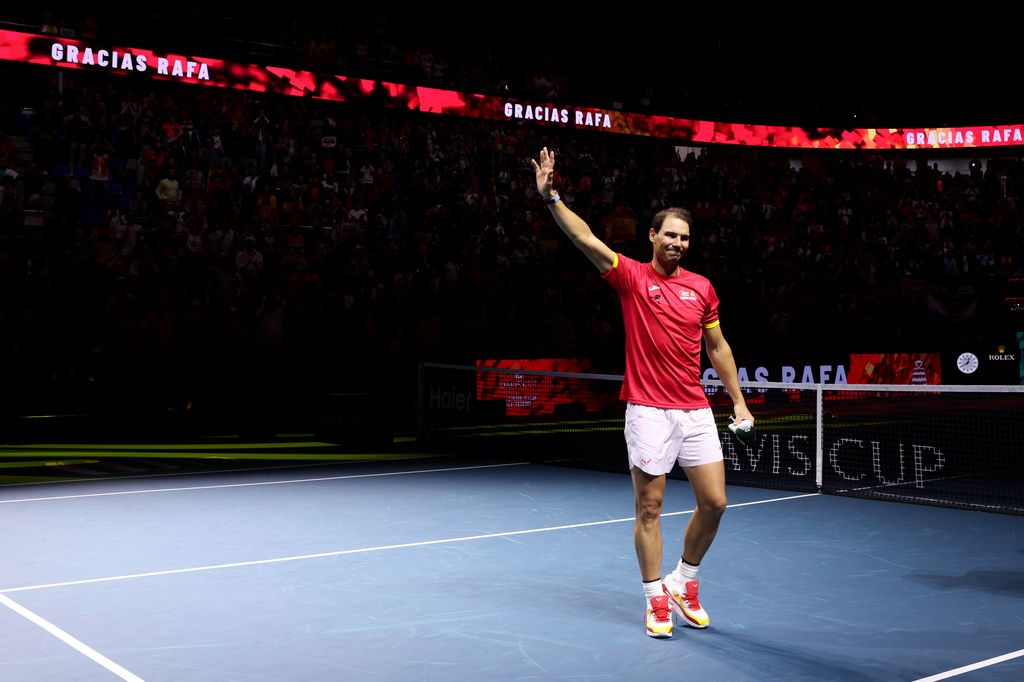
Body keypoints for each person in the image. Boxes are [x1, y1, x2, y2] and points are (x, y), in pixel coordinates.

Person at [532, 147, 754, 639]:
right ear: (652, 236)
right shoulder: (632, 277)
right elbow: (585, 238)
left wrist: (737, 400)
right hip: (648, 410)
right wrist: (551, 199)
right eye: (670, 235)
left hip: (695, 407)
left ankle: (684, 581)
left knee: (715, 502)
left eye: (685, 238)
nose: (677, 243)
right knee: (649, 509)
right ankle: (655, 597)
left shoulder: (702, 287)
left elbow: (717, 346)